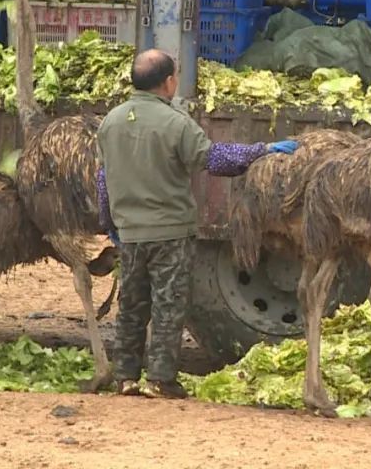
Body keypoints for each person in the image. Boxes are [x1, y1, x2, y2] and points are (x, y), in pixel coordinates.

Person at [96, 49, 298, 399]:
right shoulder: (175, 124)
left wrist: (108, 221)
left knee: (131, 303)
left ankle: (126, 375)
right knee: (168, 305)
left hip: (129, 231)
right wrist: (262, 151)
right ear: (168, 81)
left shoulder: (110, 122)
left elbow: (103, 177)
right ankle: (161, 379)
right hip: (170, 231)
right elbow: (214, 159)